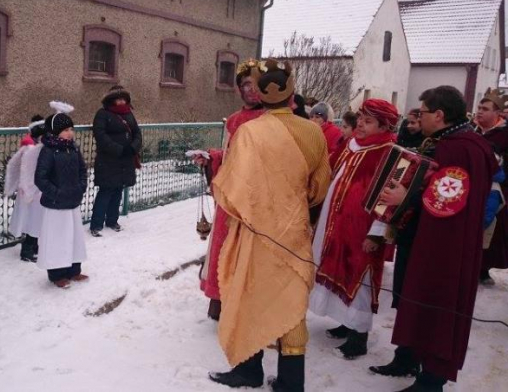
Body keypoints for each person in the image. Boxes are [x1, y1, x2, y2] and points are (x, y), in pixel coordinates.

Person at [208, 59, 331, 392]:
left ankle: (249, 371)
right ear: (291, 93)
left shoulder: (249, 132)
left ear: (260, 95)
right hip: (293, 232)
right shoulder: (313, 131)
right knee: (291, 302)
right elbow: (320, 187)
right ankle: (292, 383)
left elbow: (231, 190)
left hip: (255, 232)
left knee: (249, 296)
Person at [372, 86, 496, 392]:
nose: (419, 117)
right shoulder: (459, 142)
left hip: (444, 245)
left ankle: (430, 381)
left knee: (435, 304)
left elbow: (448, 198)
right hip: (430, 237)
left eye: (423, 111)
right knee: (414, 297)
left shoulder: (459, 147)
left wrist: (406, 194)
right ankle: (408, 358)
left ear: (439, 115)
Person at [309, 99, 399, 360]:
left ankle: (359, 337)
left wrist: (376, 233)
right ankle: (344, 322)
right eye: (360, 117)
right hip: (335, 224)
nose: (360, 123)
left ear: (383, 126)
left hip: (362, 230)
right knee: (336, 270)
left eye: (368, 121)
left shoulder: (390, 153)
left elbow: (389, 197)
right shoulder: (351, 144)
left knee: (359, 278)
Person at [197, 58, 265, 321]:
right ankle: (221, 302)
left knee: (247, 252)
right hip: (230, 198)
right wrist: (211, 157)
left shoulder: (273, 118)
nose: (250, 89)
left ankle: (245, 308)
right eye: (245, 84)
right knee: (224, 247)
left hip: (256, 199)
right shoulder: (234, 119)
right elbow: (229, 156)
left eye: (256, 84)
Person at [35, 102, 89, 289]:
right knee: (57, 239)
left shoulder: (73, 148)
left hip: (72, 202)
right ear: (55, 132)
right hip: (56, 204)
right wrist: (57, 193)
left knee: (74, 237)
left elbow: (83, 170)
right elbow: (40, 179)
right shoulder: (48, 151)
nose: (70, 133)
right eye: (65, 130)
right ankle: (57, 274)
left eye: (71, 129)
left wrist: (81, 187)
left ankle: (74, 270)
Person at [90, 86, 142, 237]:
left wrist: (133, 148)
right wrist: (119, 149)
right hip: (108, 160)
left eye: (123, 99)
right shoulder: (102, 114)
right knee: (106, 191)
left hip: (125, 159)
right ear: (111, 100)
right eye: (118, 99)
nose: (121, 101)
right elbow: (100, 135)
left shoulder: (129, 114)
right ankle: (96, 224)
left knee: (118, 190)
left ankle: (112, 220)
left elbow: (137, 133)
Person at [474, 89, 508, 285]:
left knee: (491, 229)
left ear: (497, 114)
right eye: (479, 107)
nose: (479, 112)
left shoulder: (504, 135)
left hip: (497, 189)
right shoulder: (473, 131)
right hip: (474, 186)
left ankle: (483, 268)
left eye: (485, 109)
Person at [6, 115, 47, 262]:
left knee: (36, 221)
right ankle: (27, 251)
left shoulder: (38, 149)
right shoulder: (30, 150)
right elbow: (20, 169)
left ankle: (34, 246)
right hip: (30, 192)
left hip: (38, 191)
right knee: (31, 221)